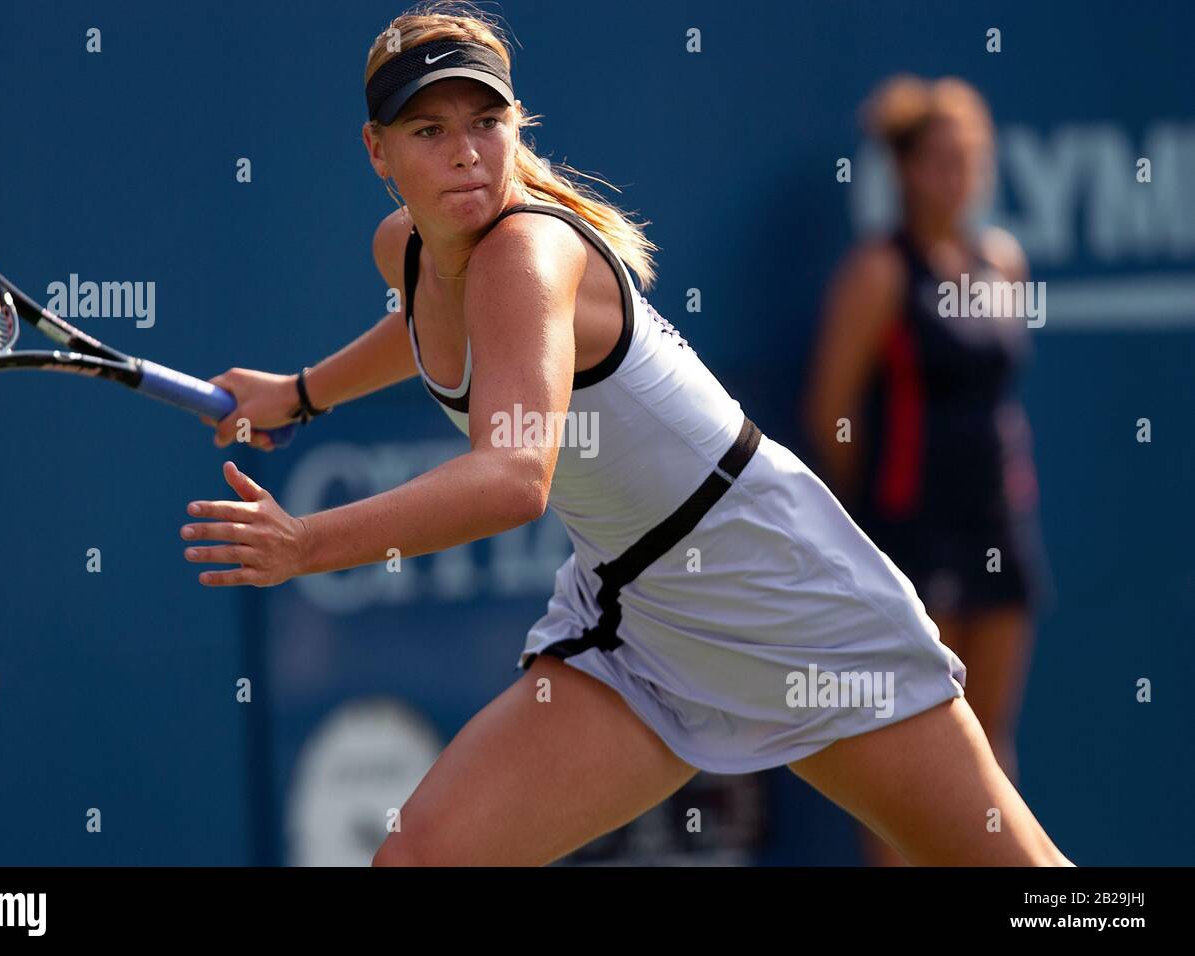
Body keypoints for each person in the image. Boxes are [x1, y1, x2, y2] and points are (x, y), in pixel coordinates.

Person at [182, 4, 1072, 867]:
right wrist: (303, 392)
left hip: (780, 592)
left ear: (515, 126)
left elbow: (510, 480)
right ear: (378, 153)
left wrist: (305, 545)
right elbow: (427, 323)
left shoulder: (525, 255)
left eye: (485, 121)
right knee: (422, 857)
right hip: (635, 619)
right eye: (426, 132)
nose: (463, 153)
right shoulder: (408, 249)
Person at [805, 74, 1055, 865]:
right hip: (912, 536)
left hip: (1001, 526)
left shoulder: (1003, 262)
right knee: (912, 758)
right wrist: (879, 517)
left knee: (990, 747)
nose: (959, 175)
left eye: (972, 158)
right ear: (906, 170)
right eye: (942, 159)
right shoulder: (879, 272)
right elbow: (831, 412)